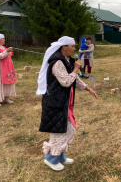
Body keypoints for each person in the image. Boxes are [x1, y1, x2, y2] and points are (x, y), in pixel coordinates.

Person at [37, 36, 98, 171]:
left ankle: (61, 157)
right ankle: (51, 159)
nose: (74, 48)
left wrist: (87, 88)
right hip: (55, 102)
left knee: (67, 128)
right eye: (72, 46)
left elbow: (73, 79)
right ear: (64, 47)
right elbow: (66, 81)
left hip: (64, 101)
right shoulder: (57, 62)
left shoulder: (66, 60)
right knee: (58, 131)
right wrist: (76, 69)